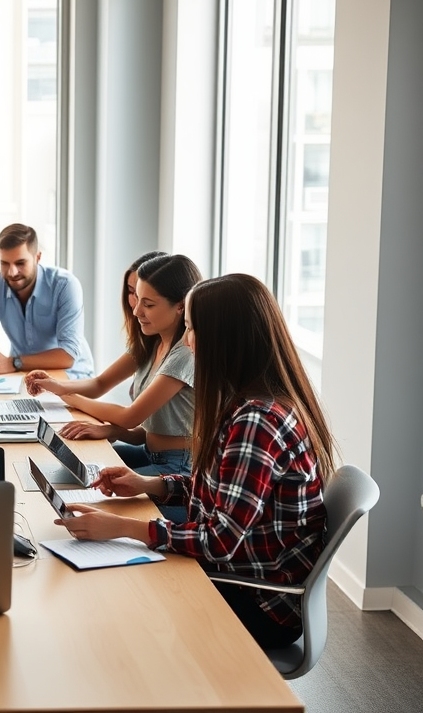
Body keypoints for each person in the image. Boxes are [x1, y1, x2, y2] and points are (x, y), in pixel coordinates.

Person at [53, 273, 335, 650]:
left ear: (224, 338)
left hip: (257, 599)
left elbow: (220, 541)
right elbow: (221, 491)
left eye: (192, 328)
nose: (187, 340)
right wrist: (150, 484)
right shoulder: (247, 401)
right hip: (240, 572)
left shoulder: (257, 420)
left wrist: (124, 527)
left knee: (115, 598)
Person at [25, 253, 201, 479]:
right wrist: (57, 386)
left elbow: (130, 417)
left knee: (95, 484)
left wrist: (68, 397)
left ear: (180, 306)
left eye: (148, 304)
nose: (136, 311)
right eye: (137, 298)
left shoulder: (184, 355)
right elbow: (101, 384)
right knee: (71, 466)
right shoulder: (152, 342)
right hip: (150, 453)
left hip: (177, 467)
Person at [0, 223, 95, 379]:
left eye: (20, 263)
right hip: (21, 377)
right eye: (4, 263)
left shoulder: (65, 285)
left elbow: (68, 355)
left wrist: (13, 363)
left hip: (71, 377)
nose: (12, 272)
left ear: (37, 257)